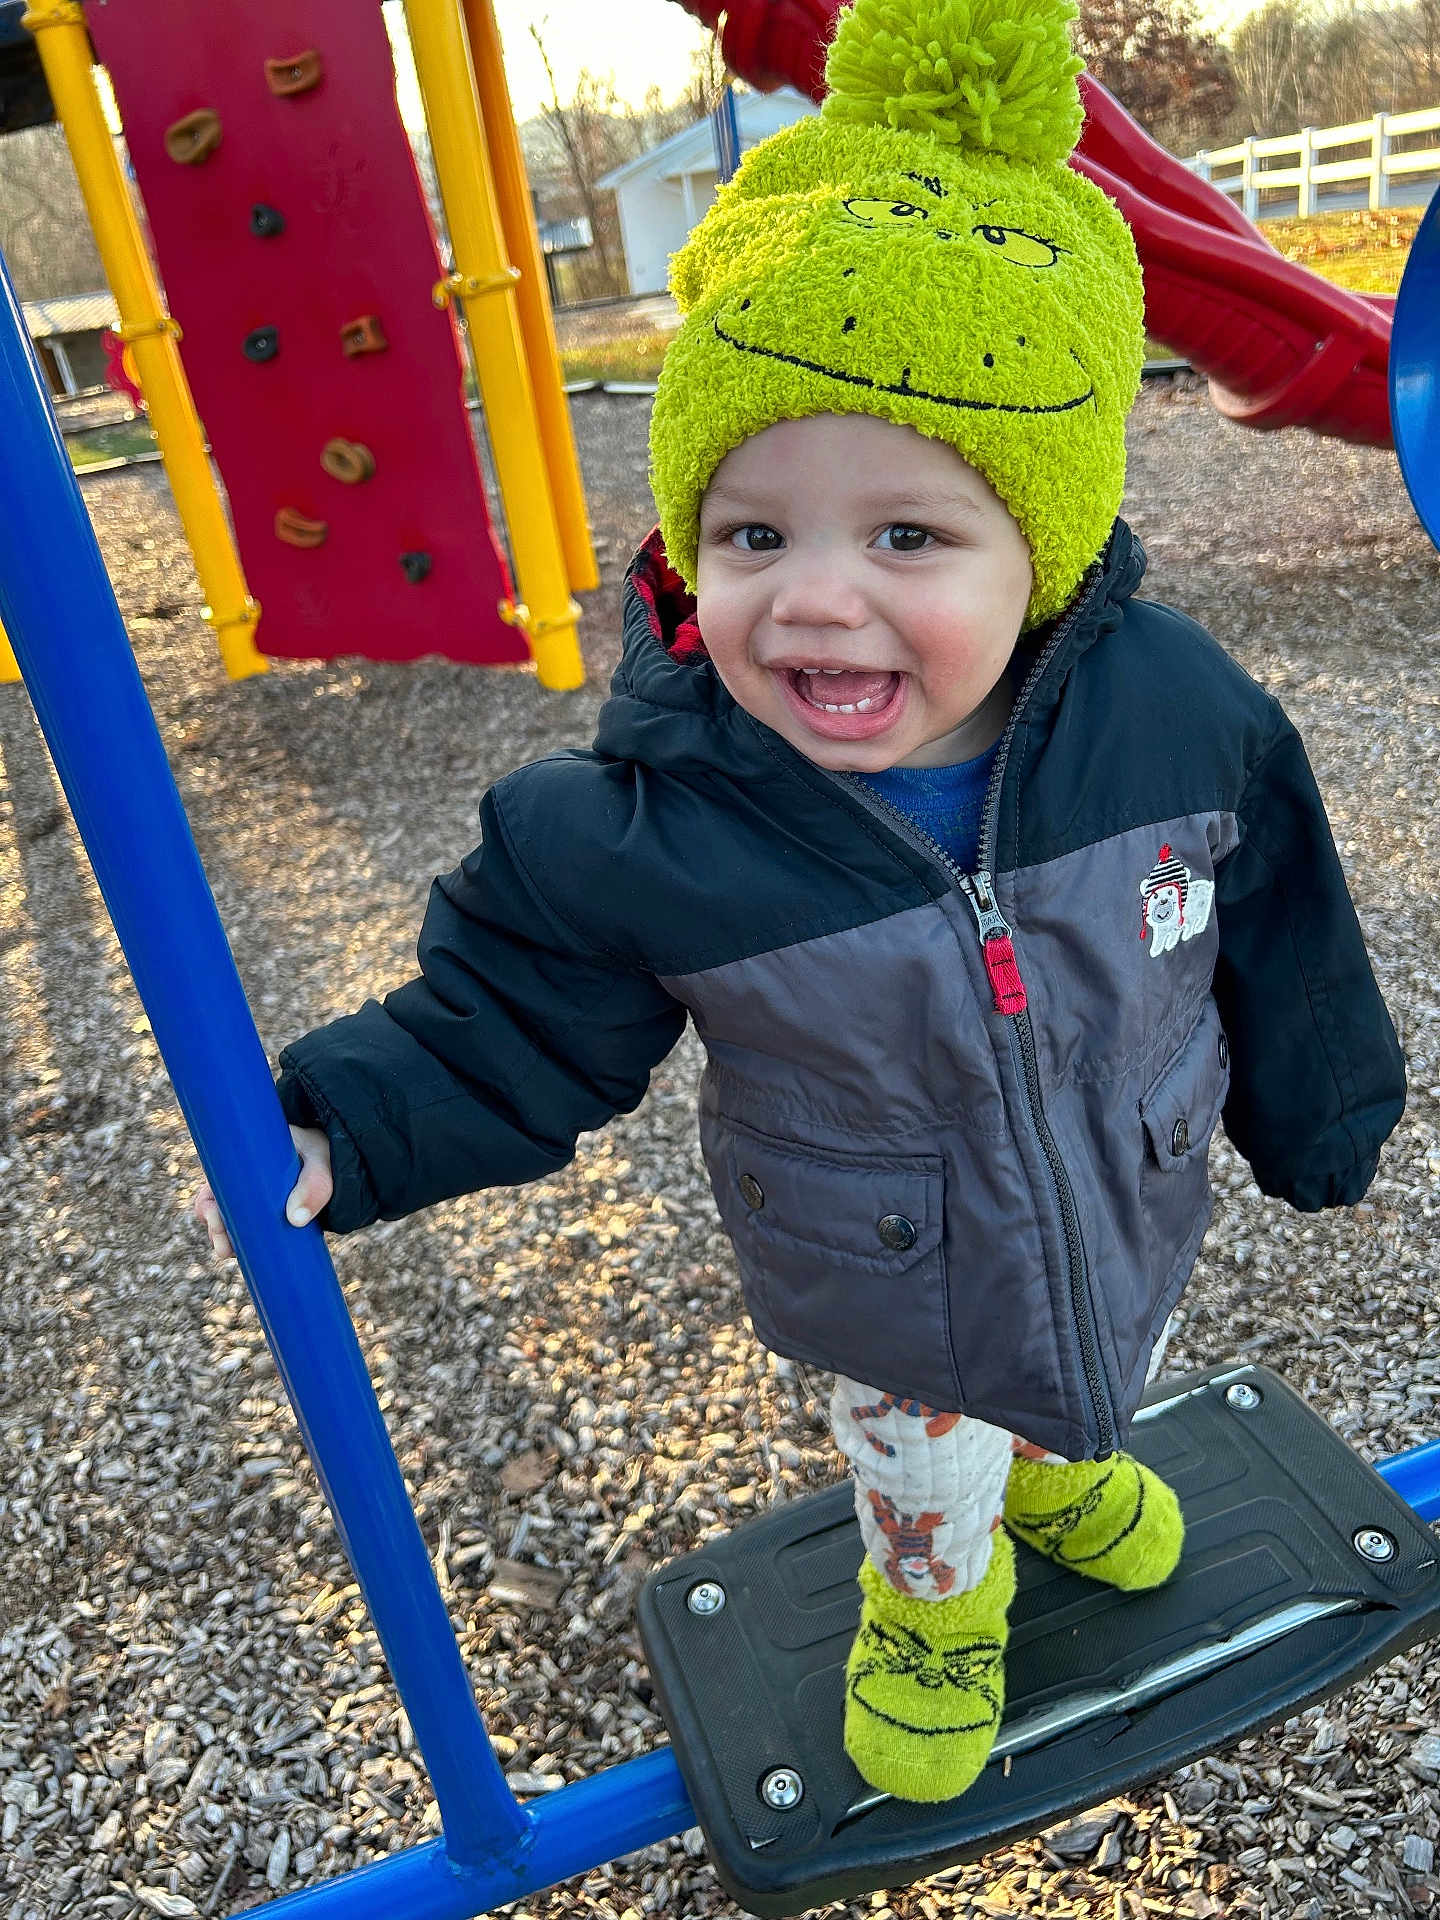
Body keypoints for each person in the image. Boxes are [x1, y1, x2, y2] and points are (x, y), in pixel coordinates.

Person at [195, 0, 1406, 1806]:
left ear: (1043, 543)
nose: (816, 601)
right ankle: (935, 1605)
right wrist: (350, 1123)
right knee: (924, 1455)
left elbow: (1284, 919)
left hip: (1126, 1187)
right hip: (886, 1271)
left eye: (907, 538)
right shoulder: (662, 823)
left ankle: (1064, 1466)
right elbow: (516, 1013)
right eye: (754, 536)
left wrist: (1321, 1101)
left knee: (1100, 1347)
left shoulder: (1174, 714)